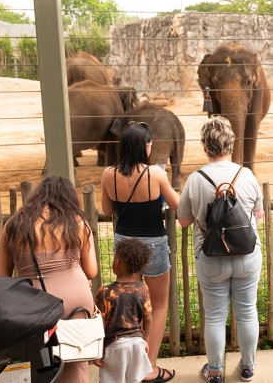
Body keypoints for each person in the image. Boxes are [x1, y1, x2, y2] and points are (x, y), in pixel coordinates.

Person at [177, 116, 263, 383]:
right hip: (247, 254)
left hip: (210, 255)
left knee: (214, 315)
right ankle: (247, 368)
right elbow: (257, 214)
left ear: (205, 145)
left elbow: (184, 220)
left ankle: (215, 372)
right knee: (247, 310)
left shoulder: (195, 179)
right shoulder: (246, 175)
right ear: (231, 143)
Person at [0, 175, 98, 383]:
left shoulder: (13, 225)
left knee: (35, 364)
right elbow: (92, 271)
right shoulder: (77, 222)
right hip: (75, 303)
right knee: (75, 362)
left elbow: (2, 277)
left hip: (33, 307)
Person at [101, 121, 180, 383]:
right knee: (157, 306)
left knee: (130, 306)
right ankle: (149, 368)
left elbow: (106, 209)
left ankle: (131, 368)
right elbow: (176, 204)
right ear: (144, 147)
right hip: (154, 245)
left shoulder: (108, 174)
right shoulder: (155, 175)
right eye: (149, 144)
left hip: (124, 244)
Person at [94, 238, 154, 383]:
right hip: (137, 344)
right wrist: (145, 340)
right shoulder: (142, 288)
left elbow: (99, 323)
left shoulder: (105, 292)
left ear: (117, 262)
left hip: (115, 347)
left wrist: (99, 349)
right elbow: (148, 318)